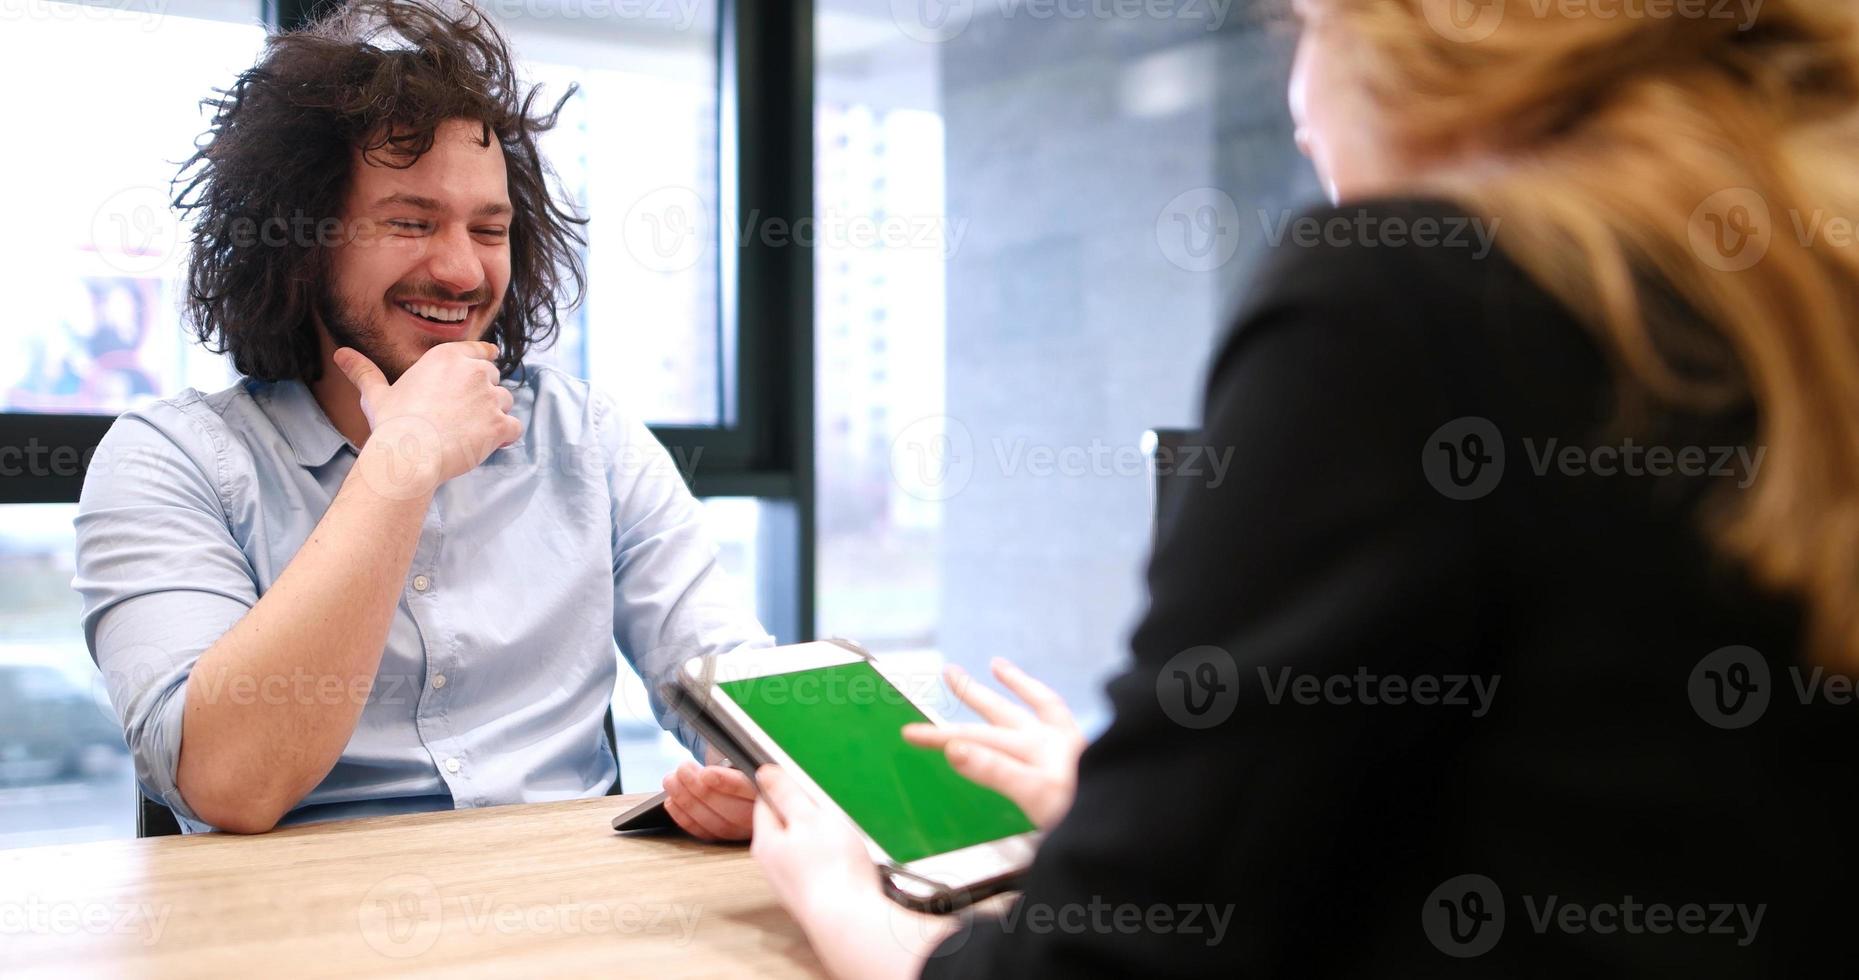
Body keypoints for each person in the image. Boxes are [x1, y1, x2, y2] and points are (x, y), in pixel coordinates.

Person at [749, 1, 1859, 975]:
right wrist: (1146, 809)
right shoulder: (1789, 314)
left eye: (1302, 24)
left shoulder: (1403, 301)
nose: (1298, 104)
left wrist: (845, 902)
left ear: (1408, 41)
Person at [71, 0, 766, 839]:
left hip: (570, 906)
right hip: (292, 932)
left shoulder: (584, 435)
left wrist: (762, 769)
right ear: (303, 240)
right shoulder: (168, 460)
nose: (461, 268)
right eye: (409, 222)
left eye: (489, 228)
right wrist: (401, 461)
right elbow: (226, 781)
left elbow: (732, 679)